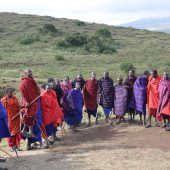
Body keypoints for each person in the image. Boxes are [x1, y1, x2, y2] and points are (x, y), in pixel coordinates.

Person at [19, 69, 40, 138]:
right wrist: (27, 101)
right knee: (28, 115)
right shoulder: (24, 81)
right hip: (28, 102)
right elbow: (23, 92)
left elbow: (36, 89)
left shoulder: (32, 80)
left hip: (34, 101)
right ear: (25, 73)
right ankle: (23, 130)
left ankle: (30, 131)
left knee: (32, 116)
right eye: (29, 72)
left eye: (31, 71)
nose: (31, 73)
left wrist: (38, 93)